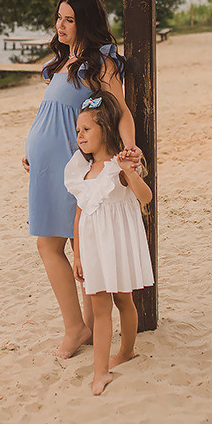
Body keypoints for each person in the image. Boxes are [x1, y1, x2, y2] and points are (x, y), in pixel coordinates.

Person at [22, 0, 142, 359]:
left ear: (85, 23)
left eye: (69, 19)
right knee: (78, 246)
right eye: (59, 17)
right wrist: (31, 149)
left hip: (70, 166)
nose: (60, 25)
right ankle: (88, 327)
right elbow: (53, 115)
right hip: (44, 165)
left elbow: (119, 110)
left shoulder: (99, 63)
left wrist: (129, 149)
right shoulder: (62, 61)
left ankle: (75, 329)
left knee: (50, 244)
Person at [64, 91, 154, 395]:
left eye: (86, 129)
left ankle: (127, 350)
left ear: (105, 129)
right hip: (91, 248)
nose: (80, 135)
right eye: (78, 131)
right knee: (100, 307)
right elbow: (79, 215)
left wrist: (131, 172)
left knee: (123, 300)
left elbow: (146, 198)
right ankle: (99, 372)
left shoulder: (120, 166)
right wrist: (76, 254)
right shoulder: (82, 171)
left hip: (117, 244)